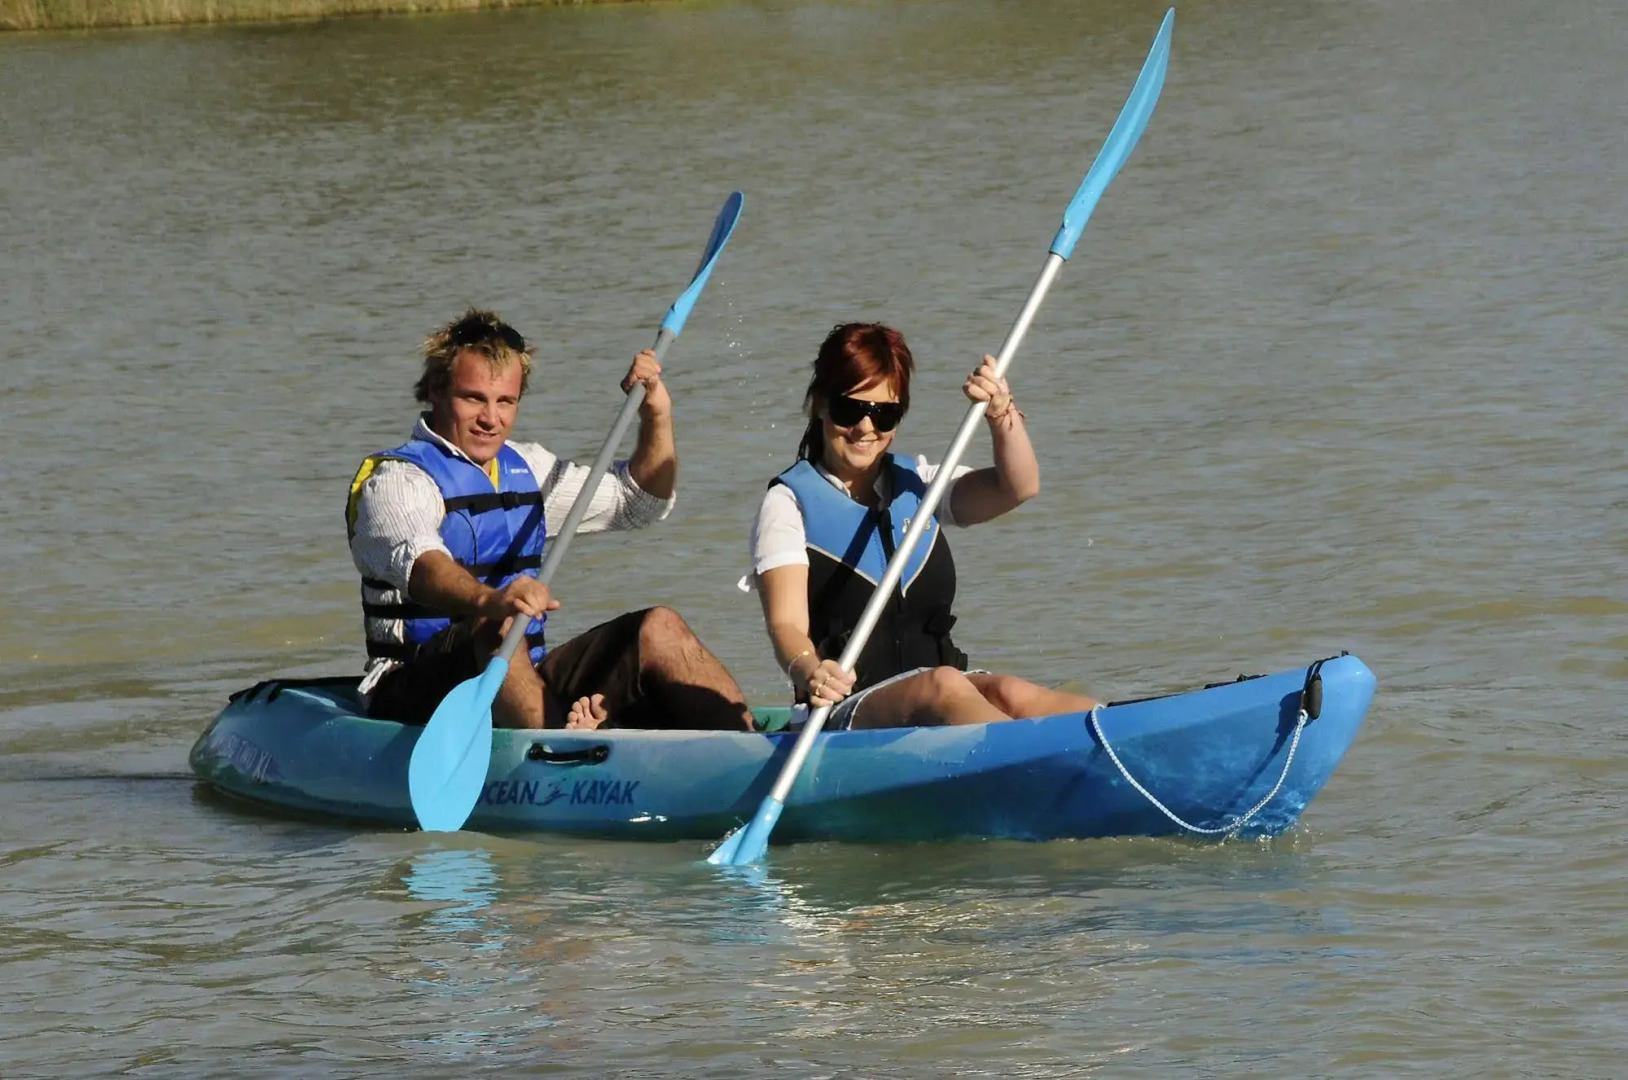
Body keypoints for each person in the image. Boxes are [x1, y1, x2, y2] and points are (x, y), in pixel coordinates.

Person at [347, 307, 753, 732]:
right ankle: (558, 752)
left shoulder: (527, 467)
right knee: (497, 624)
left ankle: (748, 750)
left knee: (660, 628)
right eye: (474, 399)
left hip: (517, 673)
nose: (491, 419)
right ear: (435, 389)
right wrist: (490, 601)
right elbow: (420, 565)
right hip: (412, 689)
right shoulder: (394, 480)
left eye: (506, 402)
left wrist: (656, 416)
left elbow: (640, 502)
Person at [746, 322, 1097, 730]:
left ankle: (1123, 734)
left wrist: (1000, 414)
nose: (865, 428)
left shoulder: (923, 484)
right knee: (943, 686)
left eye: (884, 414)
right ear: (820, 405)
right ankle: (1040, 765)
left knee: (1009, 693)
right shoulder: (787, 504)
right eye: (849, 409)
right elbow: (786, 626)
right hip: (844, 712)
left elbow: (1018, 486)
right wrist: (809, 670)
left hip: (941, 692)